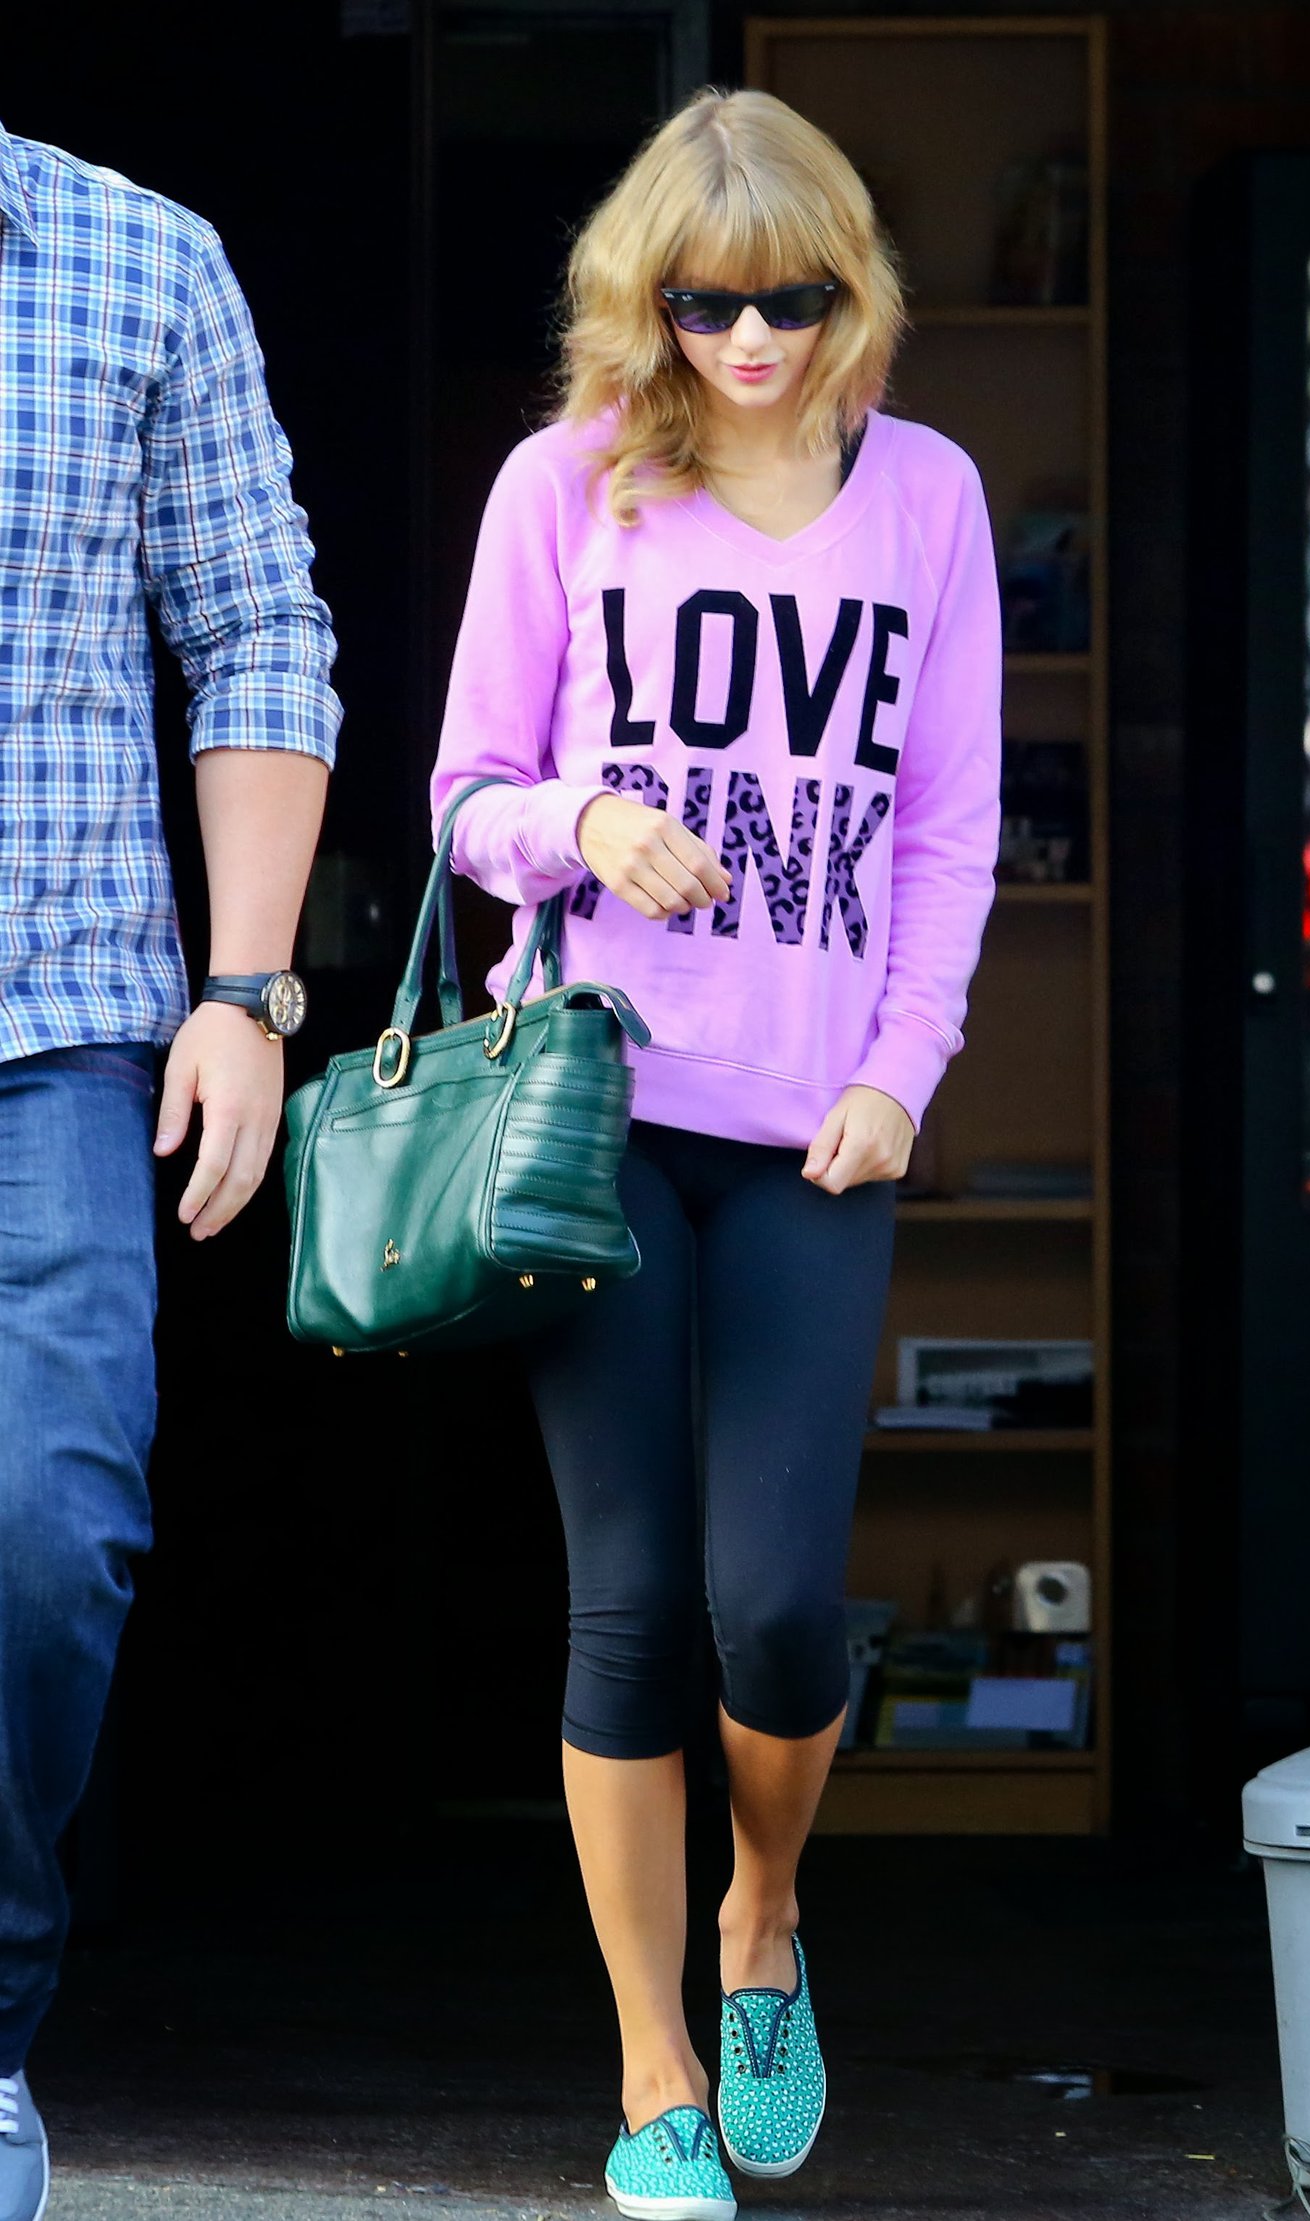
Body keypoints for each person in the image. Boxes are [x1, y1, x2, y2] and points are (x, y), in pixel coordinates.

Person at [431, 87, 1000, 2221]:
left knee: (774, 1611)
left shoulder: (926, 499)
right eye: (702, 303)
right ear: (640, 298)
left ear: (850, 293)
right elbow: (463, 786)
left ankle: (765, 1910)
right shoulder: (565, 484)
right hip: (589, 1103)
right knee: (634, 1598)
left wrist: (904, 1066)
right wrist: (573, 823)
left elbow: (948, 822)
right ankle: (654, 2071)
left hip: (811, 1134)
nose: (747, 343)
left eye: (789, 302)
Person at [0, 117, 338, 2221]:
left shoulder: (135, 260)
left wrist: (246, 988)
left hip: (57, 1032)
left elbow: (256, 629)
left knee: (49, 1530)